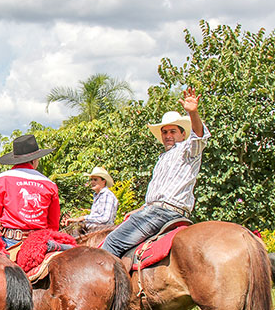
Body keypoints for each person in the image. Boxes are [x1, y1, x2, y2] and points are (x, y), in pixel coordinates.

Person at [102, 88, 208, 264]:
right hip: (154, 211)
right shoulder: (163, 158)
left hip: (163, 213)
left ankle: (111, 282)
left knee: (112, 242)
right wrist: (141, 209)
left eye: (173, 131)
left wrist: (193, 113)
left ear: (183, 134)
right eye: (164, 132)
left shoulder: (187, 150)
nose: (168, 135)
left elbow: (199, 137)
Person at [0, 134, 62, 248]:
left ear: (15, 160)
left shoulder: (1, 179)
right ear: (34, 160)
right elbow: (53, 224)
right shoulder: (49, 184)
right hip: (41, 242)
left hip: (10, 241)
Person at [67, 166, 119, 232]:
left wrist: (83, 218)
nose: (92, 182)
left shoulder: (107, 195)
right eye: (91, 180)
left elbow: (105, 218)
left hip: (102, 232)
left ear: (103, 181)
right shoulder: (97, 195)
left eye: (95, 180)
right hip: (94, 231)